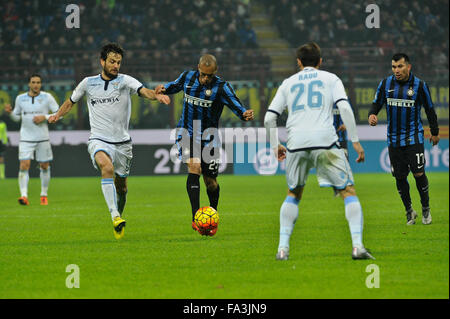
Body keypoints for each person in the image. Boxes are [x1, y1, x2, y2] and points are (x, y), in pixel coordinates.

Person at [264, 42, 374, 260]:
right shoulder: (331, 78)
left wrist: (275, 145)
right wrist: (355, 141)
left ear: (298, 62)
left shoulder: (288, 83)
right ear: (320, 61)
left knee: (294, 194)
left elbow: (269, 117)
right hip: (325, 141)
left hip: (296, 143)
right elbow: (344, 108)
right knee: (348, 192)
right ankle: (357, 246)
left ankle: (282, 249)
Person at [48, 43, 170, 239]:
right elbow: (70, 102)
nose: (116, 66)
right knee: (107, 168)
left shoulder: (124, 81)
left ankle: (118, 215)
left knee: (122, 187)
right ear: (102, 61)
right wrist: (57, 115)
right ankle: (114, 216)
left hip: (122, 143)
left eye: (119, 62)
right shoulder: (87, 83)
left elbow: (143, 91)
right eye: (112, 61)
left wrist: (155, 95)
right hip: (98, 139)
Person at [154, 54, 254, 235]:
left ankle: (212, 216)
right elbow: (173, 86)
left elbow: (236, 105)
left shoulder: (221, 87)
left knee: (211, 183)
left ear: (215, 73)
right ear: (198, 68)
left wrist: (244, 113)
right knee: (194, 165)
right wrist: (163, 88)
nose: (205, 78)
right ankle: (196, 219)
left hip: (209, 138)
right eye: (202, 74)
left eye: (209, 75)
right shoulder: (187, 77)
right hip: (186, 133)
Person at [368, 52, 440, 225]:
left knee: (418, 173)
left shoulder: (420, 85)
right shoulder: (385, 83)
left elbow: (430, 110)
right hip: (393, 139)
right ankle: (409, 211)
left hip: (413, 137)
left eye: (400, 66)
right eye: (393, 67)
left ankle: (425, 209)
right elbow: (377, 102)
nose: (396, 70)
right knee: (400, 177)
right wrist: (372, 114)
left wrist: (435, 132)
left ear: (408, 66)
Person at [4, 74, 59, 205]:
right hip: (26, 138)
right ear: (29, 84)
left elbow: (59, 113)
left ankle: (43, 195)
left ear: (41, 84)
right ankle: (24, 196)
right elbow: (17, 118)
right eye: (33, 82)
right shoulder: (20, 98)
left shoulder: (47, 97)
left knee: (44, 166)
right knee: (24, 165)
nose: (36, 85)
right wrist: (10, 113)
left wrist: (44, 117)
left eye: (38, 82)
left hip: (42, 138)